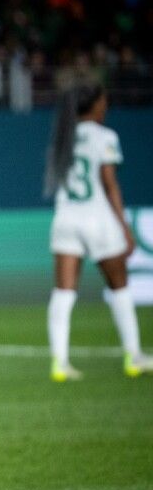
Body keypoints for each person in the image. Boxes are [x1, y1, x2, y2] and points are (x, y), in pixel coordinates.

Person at [45, 83, 152, 381]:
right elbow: (110, 185)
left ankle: (59, 361)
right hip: (97, 218)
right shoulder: (105, 137)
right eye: (104, 101)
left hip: (65, 217)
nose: (106, 106)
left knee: (63, 292)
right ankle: (134, 355)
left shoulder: (63, 137)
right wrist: (124, 227)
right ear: (94, 106)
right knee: (119, 286)